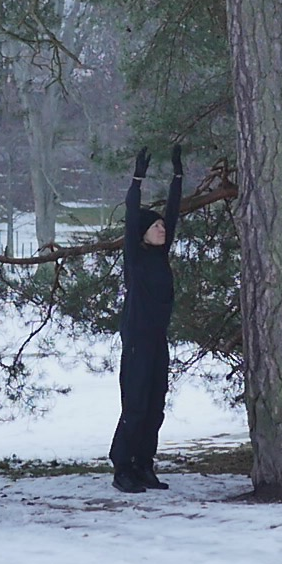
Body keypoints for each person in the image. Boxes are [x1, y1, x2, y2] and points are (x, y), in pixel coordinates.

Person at [110, 144, 181, 493]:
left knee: (155, 407)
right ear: (142, 232)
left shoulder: (161, 254)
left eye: (162, 225)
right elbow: (131, 214)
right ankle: (122, 467)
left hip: (157, 341)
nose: (162, 228)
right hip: (137, 340)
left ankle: (143, 464)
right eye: (155, 226)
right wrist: (137, 179)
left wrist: (178, 176)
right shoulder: (135, 258)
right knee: (136, 405)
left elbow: (174, 213)